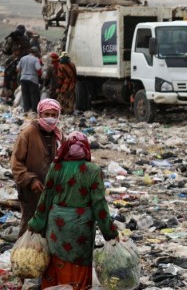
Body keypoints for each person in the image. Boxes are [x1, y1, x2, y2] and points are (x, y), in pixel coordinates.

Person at [28, 131, 119, 289]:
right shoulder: (93, 170)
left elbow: (45, 200)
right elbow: (100, 206)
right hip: (80, 231)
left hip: (56, 228)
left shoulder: (55, 168)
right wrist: (110, 233)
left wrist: (35, 225)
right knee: (78, 271)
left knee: (55, 265)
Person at [11, 99, 63, 238]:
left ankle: (43, 255)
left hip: (51, 188)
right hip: (30, 189)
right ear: (40, 114)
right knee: (29, 223)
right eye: (47, 114)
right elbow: (16, 163)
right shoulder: (28, 133)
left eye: (54, 114)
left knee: (49, 224)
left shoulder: (57, 135)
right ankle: (23, 255)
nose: (50, 118)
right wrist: (31, 180)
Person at [17, 46, 42, 113]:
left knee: (25, 95)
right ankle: (33, 111)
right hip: (33, 79)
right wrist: (39, 75)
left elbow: (18, 69)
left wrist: (24, 72)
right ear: (36, 53)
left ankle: (26, 111)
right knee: (34, 96)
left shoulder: (23, 58)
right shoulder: (36, 59)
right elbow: (38, 69)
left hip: (23, 79)